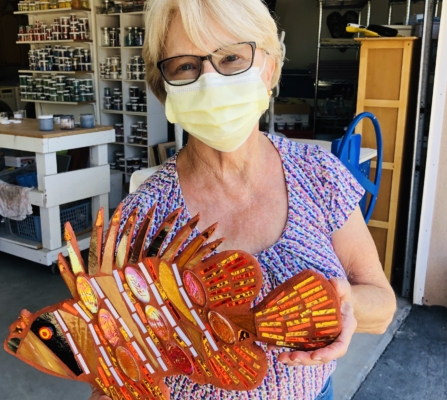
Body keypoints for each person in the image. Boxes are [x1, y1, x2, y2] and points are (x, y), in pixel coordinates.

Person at [91, 0, 396, 399]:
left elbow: (382, 304)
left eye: (232, 57)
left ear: (268, 68)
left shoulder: (317, 173)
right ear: (164, 89)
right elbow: (113, 370)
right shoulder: (141, 219)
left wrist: (344, 304)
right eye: (186, 66)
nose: (210, 81)